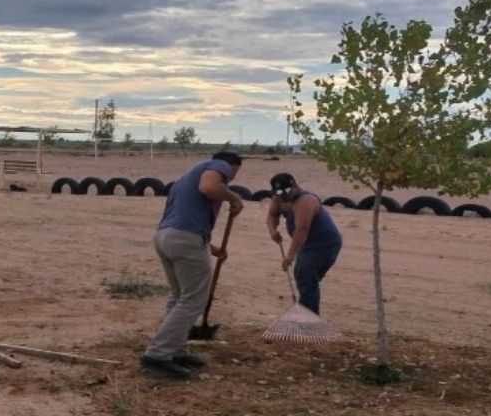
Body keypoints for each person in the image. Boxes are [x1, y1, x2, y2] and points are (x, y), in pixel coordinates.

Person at [141, 151, 245, 380]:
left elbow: (184, 217)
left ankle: (175, 349)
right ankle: (158, 354)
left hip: (166, 237)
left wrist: (210, 247)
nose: (231, 178)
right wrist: (234, 198)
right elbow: (209, 188)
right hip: (184, 240)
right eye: (235, 173)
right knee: (192, 300)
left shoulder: (185, 177)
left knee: (178, 296)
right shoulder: (219, 165)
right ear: (233, 166)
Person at [265, 172, 342, 316]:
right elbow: (272, 215)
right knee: (304, 277)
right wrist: (272, 231)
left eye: (285, 193)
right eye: (278, 193)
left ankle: (309, 318)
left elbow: (302, 229)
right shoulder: (279, 197)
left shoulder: (306, 201)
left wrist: (290, 256)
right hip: (307, 244)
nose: (282, 197)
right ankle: (306, 313)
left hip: (324, 244)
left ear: (294, 185)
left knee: (305, 276)